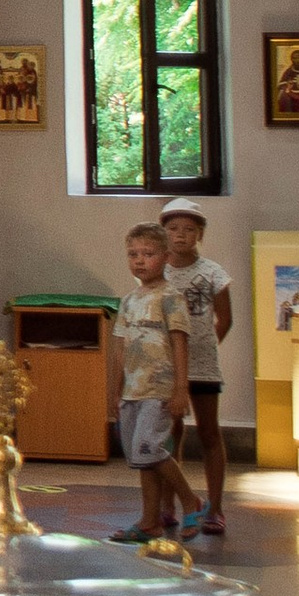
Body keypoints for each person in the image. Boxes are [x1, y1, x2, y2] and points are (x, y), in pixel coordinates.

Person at [110, 222, 198, 544]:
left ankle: (190, 500)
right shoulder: (129, 301)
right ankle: (149, 522)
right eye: (133, 254)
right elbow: (119, 349)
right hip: (132, 390)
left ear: (164, 256)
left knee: (150, 447)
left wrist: (180, 388)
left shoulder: (170, 298)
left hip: (159, 388)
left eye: (148, 254)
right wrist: (114, 391)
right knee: (140, 457)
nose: (139, 260)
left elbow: (179, 344)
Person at [159, 199, 233, 535]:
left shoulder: (213, 273)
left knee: (208, 431)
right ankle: (167, 503)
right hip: (166, 363)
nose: (181, 236)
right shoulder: (158, 270)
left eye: (189, 229)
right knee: (169, 431)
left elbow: (225, 318)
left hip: (203, 364)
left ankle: (215, 507)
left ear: (200, 233)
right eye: (173, 229)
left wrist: (204, 349)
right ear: (164, 233)